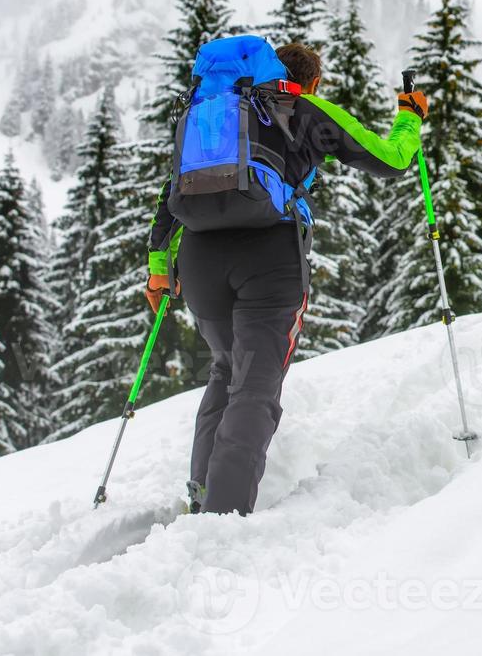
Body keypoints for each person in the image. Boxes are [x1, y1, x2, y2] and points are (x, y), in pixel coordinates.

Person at [145, 42, 429, 516]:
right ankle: (223, 517)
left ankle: (202, 496)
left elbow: (170, 191)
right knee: (255, 387)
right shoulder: (304, 107)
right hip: (269, 256)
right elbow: (392, 159)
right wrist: (410, 117)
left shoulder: (213, 114)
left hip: (198, 257)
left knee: (225, 369)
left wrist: (158, 270)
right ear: (311, 82)